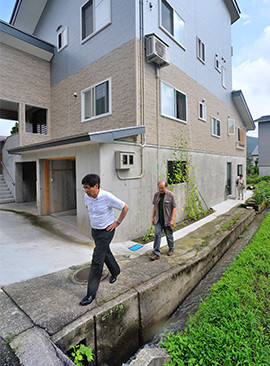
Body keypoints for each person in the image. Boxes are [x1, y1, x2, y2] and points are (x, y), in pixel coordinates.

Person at [80, 174, 129, 306]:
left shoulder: (107, 197)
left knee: (97, 260)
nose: (85, 190)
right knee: (105, 252)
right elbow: (88, 208)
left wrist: (117, 223)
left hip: (106, 232)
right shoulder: (87, 196)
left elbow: (125, 207)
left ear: (96, 186)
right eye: (84, 188)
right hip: (95, 231)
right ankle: (115, 271)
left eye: (87, 188)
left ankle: (90, 294)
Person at [150, 181, 177, 261]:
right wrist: (153, 217)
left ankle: (171, 248)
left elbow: (174, 207)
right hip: (158, 219)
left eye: (162, 188)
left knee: (169, 235)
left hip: (167, 220)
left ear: (166, 187)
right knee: (157, 234)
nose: (160, 189)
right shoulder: (156, 195)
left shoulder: (170, 195)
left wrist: (172, 220)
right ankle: (156, 253)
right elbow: (155, 206)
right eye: (159, 188)